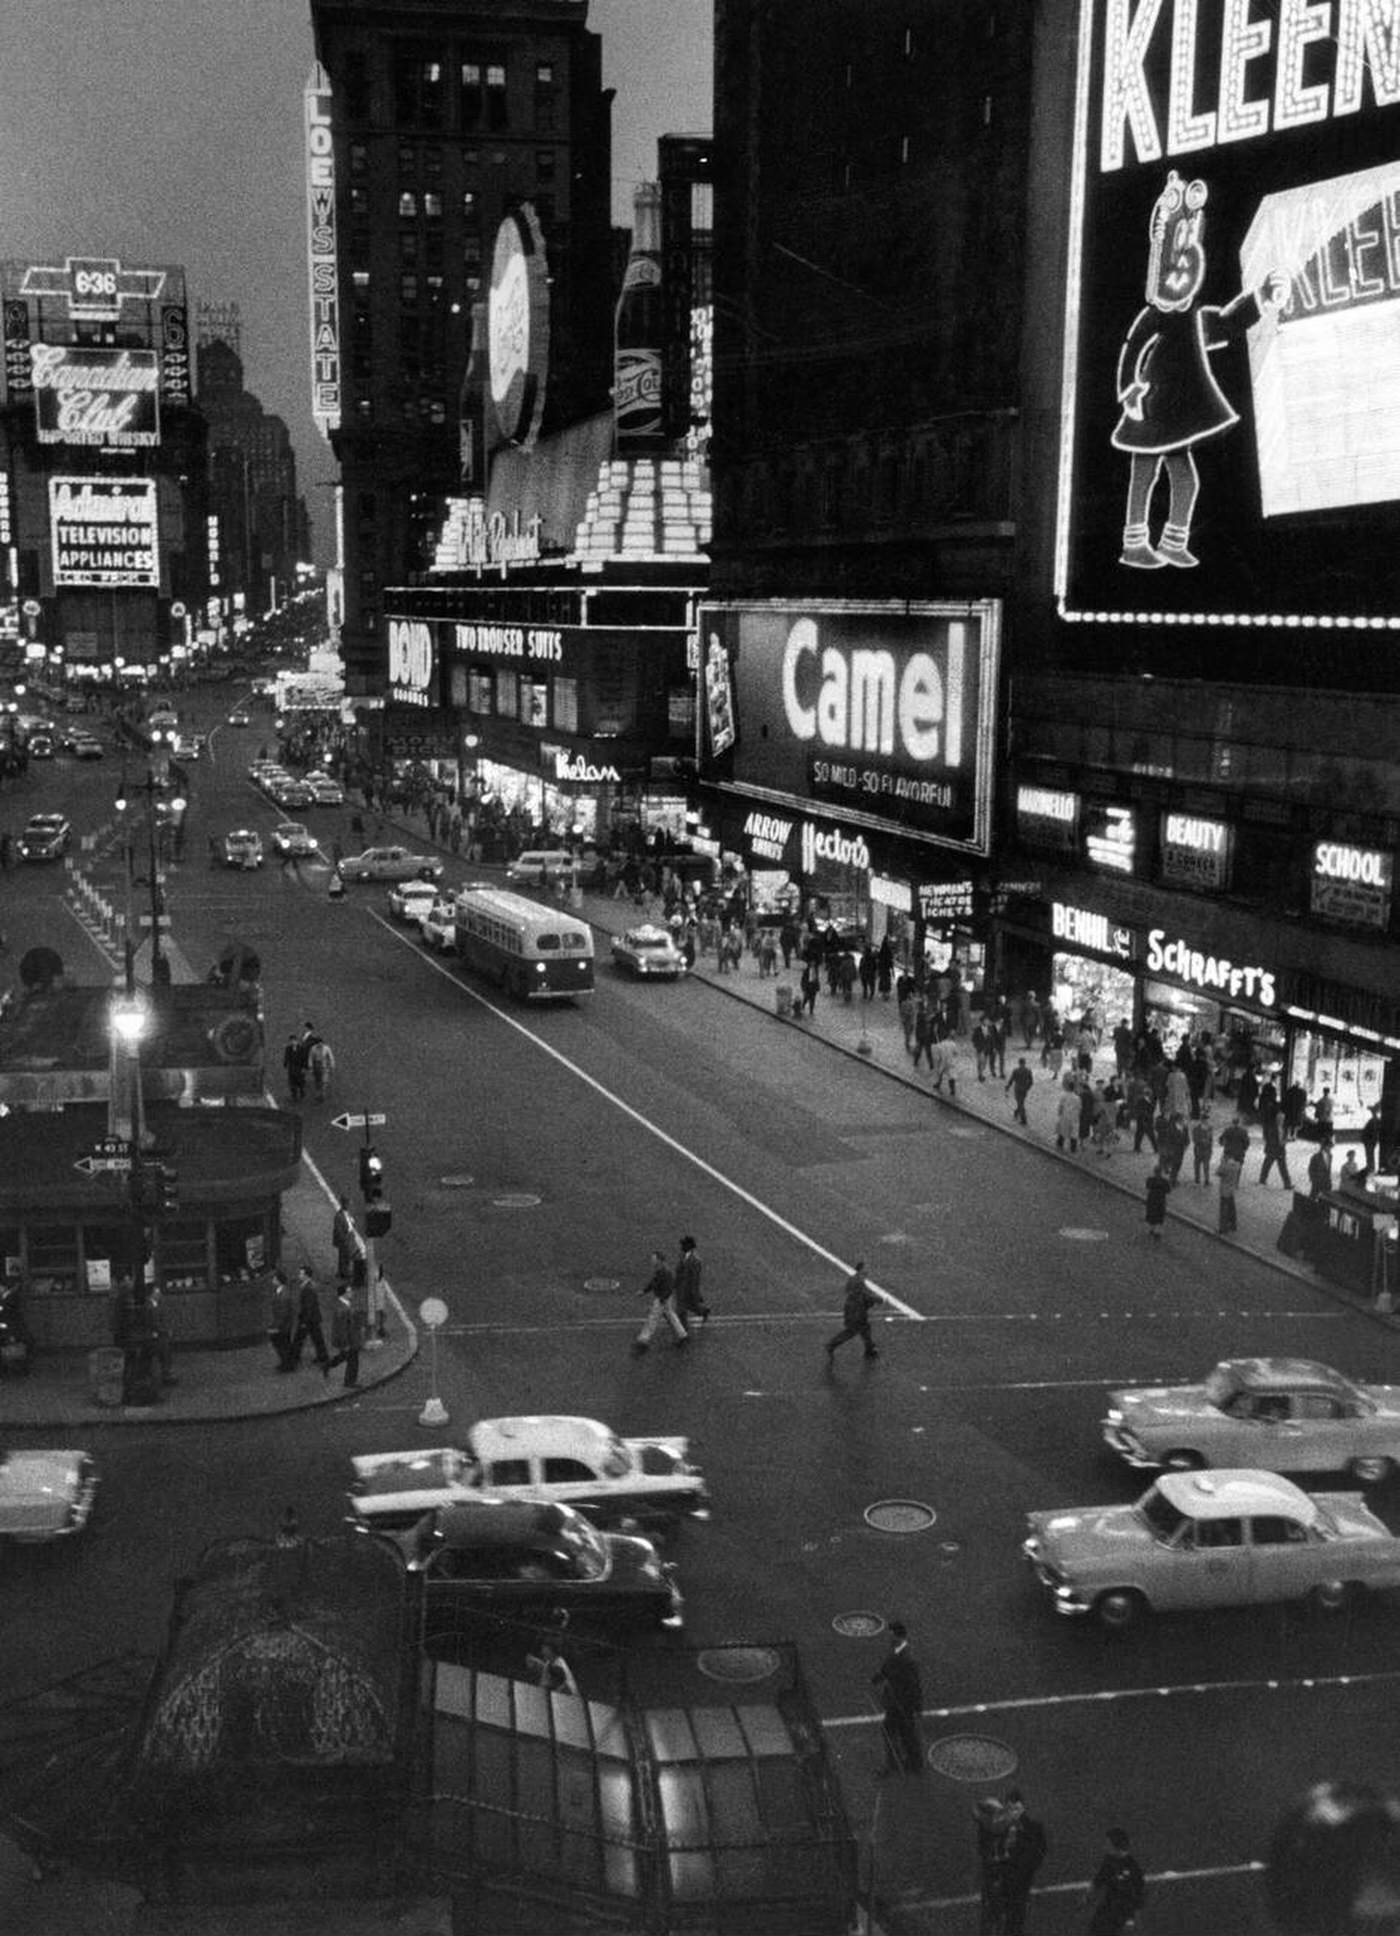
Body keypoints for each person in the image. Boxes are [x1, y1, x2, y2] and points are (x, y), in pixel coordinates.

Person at [870, 1619, 923, 1775]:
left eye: (891, 1636)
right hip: (899, 1702)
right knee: (905, 1733)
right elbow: (887, 1669)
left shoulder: (905, 1658)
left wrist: (917, 1706)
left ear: (897, 1636)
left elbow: (914, 1684)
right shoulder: (898, 1652)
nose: (889, 1640)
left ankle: (896, 1765)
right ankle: (913, 1763)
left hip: (901, 1703)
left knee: (894, 1732)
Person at [999, 1790, 1048, 1936]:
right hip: (1005, 1877)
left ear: (1023, 1808)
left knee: (1017, 1915)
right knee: (1004, 1911)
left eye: (1016, 1809)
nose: (1013, 1813)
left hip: (1021, 1879)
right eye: (1010, 1809)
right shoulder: (1001, 1827)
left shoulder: (1034, 1828)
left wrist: (1028, 1869)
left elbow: (1040, 1851)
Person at [1086, 1827, 1145, 1936]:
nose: (1105, 1846)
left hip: (1120, 1914)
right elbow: (1098, 1880)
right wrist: (1088, 1895)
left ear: (1115, 1844)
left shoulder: (1132, 1868)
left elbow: (1136, 1896)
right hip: (1107, 1910)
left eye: (1108, 1843)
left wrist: (1130, 1919)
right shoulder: (1109, 1860)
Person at [634, 1249, 689, 1352]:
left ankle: (643, 1339)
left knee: (653, 1318)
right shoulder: (660, 1269)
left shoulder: (664, 1272)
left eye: (653, 1259)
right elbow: (654, 1282)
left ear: (659, 1260)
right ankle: (683, 1335)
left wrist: (662, 1299)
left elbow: (669, 1287)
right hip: (664, 1298)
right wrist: (644, 1291)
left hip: (662, 1298)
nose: (652, 1261)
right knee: (671, 1316)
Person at [826, 1261, 880, 1363]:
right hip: (856, 1311)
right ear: (861, 1269)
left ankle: (870, 1348)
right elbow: (865, 1294)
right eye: (866, 1268)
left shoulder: (855, 1279)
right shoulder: (859, 1281)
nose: (868, 1270)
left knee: (865, 1328)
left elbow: (860, 1292)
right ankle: (831, 1345)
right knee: (852, 1331)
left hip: (854, 1309)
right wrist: (877, 1299)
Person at [974, 1797, 1010, 1936]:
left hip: (993, 1862)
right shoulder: (997, 1825)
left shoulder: (988, 1825)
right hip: (995, 1862)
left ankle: (994, 1909)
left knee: (992, 1885)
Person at [291, 1264, 330, 1371]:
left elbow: (308, 1306)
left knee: (299, 1339)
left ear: (306, 1275)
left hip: (308, 1319)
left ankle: (293, 1358)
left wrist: (304, 1321)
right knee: (317, 1338)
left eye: (301, 1273)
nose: (299, 1275)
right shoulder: (308, 1286)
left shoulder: (308, 1288)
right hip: (313, 1318)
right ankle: (323, 1357)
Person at [324, 1282, 363, 1386]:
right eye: (349, 1291)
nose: (352, 1293)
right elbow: (342, 1328)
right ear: (343, 1294)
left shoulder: (346, 1304)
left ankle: (328, 1364)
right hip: (350, 1339)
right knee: (353, 1360)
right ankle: (349, 1382)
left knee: (345, 1356)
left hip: (351, 1338)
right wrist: (345, 1343)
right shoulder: (342, 1308)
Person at [674, 1235, 710, 1329]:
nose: (681, 1247)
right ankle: (703, 1311)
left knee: (682, 1309)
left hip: (688, 1288)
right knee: (689, 1306)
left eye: (683, 1245)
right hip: (681, 1287)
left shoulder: (695, 1261)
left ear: (688, 1246)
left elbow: (695, 1279)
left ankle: (683, 1331)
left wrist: (695, 1293)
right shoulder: (683, 1256)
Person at [268, 1268, 296, 1372]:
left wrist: (275, 1327)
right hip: (284, 1324)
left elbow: (283, 1313)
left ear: (278, 1280)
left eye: (274, 1279)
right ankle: (287, 1363)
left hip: (283, 1325)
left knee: (281, 1344)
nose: (272, 1280)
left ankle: (287, 1364)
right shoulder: (281, 1291)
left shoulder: (283, 1295)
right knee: (284, 1344)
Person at [1145, 1168, 1170, 1242]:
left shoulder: (1150, 1180)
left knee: (1151, 1214)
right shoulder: (1164, 1181)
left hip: (1152, 1200)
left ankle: (1151, 1229)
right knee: (1159, 1216)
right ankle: (1157, 1231)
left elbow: (1147, 1186)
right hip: (1160, 1200)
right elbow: (1168, 1190)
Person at [1006, 1058, 1034, 1125]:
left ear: (1019, 1063)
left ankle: (1023, 1119)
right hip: (1024, 1089)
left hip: (1018, 1089)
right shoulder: (1028, 1071)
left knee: (1020, 1103)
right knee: (1021, 1102)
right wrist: (1027, 1088)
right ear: (1024, 1063)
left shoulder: (1016, 1070)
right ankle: (1017, 1112)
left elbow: (1011, 1080)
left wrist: (1008, 1086)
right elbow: (1031, 1081)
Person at [307, 1035, 335, 1101]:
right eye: (318, 1043)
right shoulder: (313, 1048)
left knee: (324, 1081)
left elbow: (331, 1057)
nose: (320, 1044)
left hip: (324, 1066)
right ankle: (318, 1093)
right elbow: (310, 1058)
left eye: (321, 1043)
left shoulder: (326, 1048)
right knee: (317, 1081)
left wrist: (332, 1065)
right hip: (316, 1066)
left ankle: (322, 1094)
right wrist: (310, 1067)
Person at [282, 1033, 306, 1104]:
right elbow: (286, 1056)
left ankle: (302, 1091)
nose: (293, 1042)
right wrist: (285, 1063)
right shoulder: (288, 1048)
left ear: (297, 1041)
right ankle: (294, 1096)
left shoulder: (301, 1048)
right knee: (292, 1082)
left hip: (299, 1067)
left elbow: (303, 1058)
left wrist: (303, 1067)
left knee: (300, 1082)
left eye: (294, 1040)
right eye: (291, 1041)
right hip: (292, 1067)